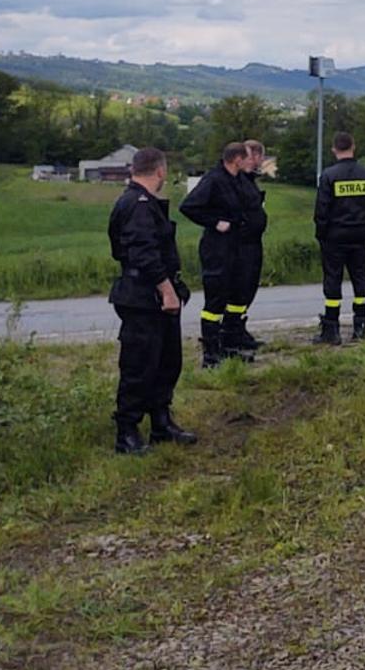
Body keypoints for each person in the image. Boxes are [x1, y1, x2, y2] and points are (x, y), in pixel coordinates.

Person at [107, 147, 196, 454]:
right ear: (160, 170)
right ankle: (127, 432)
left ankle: (161, 422)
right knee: (139, 364)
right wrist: (166, 289)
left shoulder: (143, 203)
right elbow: (141, 252)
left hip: (155, 295)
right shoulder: (137, 205)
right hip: (143, 296)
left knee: (167, 361)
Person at [178, 142, 250, 368]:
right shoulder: (214, 179)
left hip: (237, 246)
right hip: (217, 248)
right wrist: (214, 222)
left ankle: (230, 345)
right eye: (245, 158)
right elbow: (189, 206)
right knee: (216, 299)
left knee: (236, 296)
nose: (248, 162)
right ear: (236, 158)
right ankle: (210, 354)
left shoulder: (237, 179)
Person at [313, 132, 365, 345]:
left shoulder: (328, 176)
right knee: (360, 280)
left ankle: (331, 330)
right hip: (360, 236)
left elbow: (321, 211)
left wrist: (322, 235)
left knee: (333, 281)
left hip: (334, 237)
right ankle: (360, 328)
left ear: (334, 149)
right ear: (354, 146)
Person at [224, 139, 270, 356]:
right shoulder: (236, 180)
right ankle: (231, 332)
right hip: (240, 244)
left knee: (247, 289)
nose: (249, 160)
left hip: (252, 243)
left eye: (251, 156)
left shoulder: (249, 180)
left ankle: (238, 328)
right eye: (246, 156)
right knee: (238, 290)